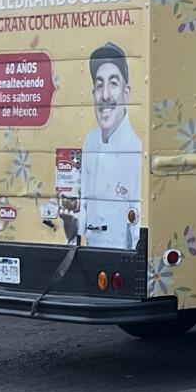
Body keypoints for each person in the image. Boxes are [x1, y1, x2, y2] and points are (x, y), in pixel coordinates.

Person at [67, 42, 143, 251]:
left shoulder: (137, 151)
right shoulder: (90, 141)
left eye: (113, 83)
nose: (105, 95)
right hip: (88, 254)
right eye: (99, 85)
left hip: (120, 257)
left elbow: (138, 227)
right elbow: (83, 202)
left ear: (126, 94)